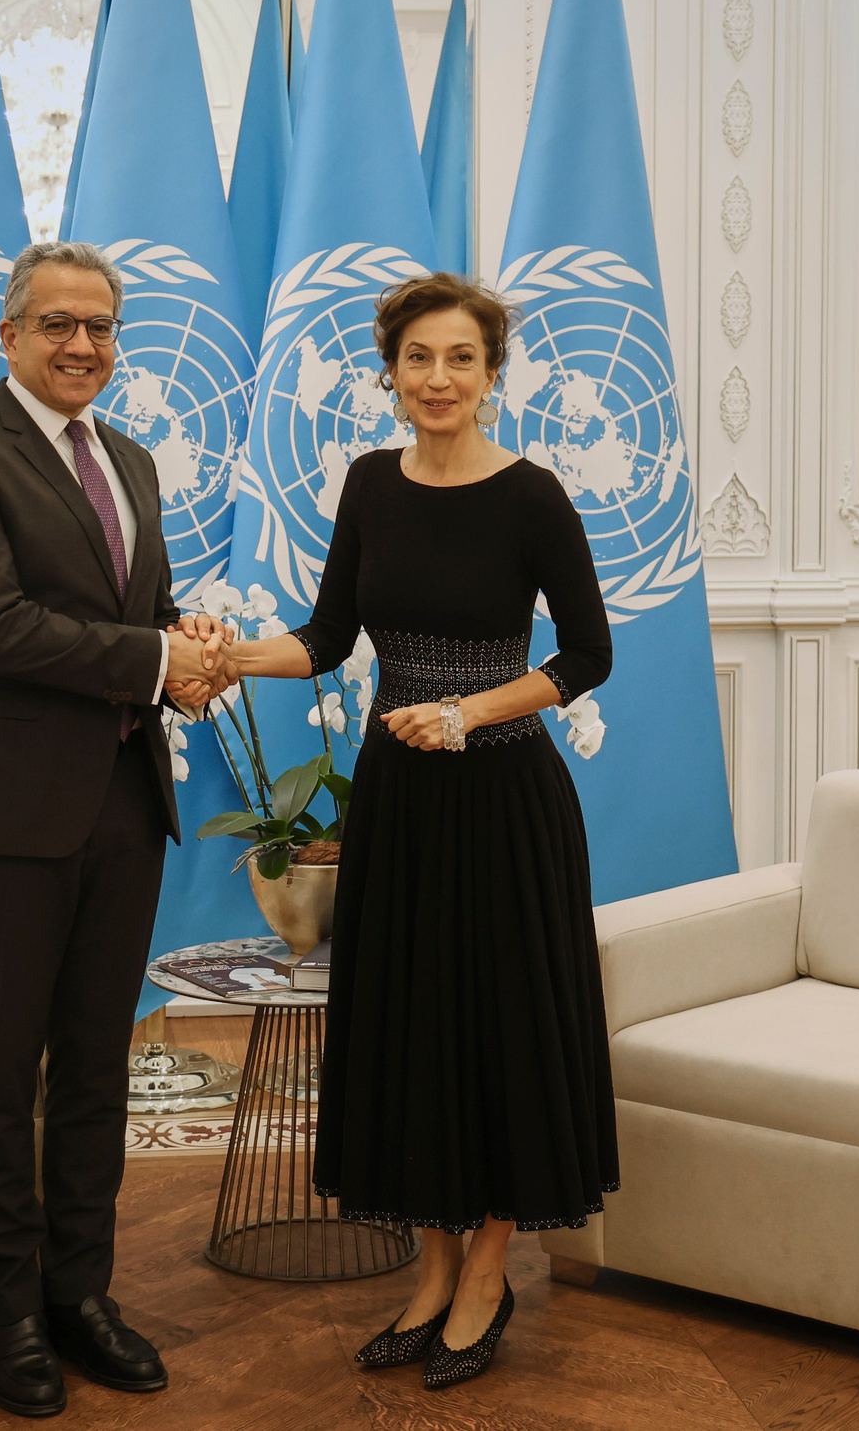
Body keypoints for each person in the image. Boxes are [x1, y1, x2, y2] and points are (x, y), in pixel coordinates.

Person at [182, 272, 618, 1390]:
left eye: (460, 358)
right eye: (418, 358)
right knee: (411, 1029)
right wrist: (227, 657)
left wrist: (469, 712)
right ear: (389, 373)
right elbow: (328, 638)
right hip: (400, 802)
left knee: (493, 1030)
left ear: (490, 372)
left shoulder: (533, 497)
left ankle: (486, 1273)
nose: (438, 379)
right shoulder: (371, 485)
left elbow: (585, 657)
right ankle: (429, 1271)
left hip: (505, 802)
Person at [0, 239, 226, 1419]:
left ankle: (81, 1294)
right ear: (9, 335)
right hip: (3, 816)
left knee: (97, 1070)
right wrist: (154, 660)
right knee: (1, 1075)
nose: (81, 345)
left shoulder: (128, 459)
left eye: (99, 326)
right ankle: (8, 1316)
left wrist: (194, 645)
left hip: (124, 805)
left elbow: (137, 608)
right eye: (56, 325)